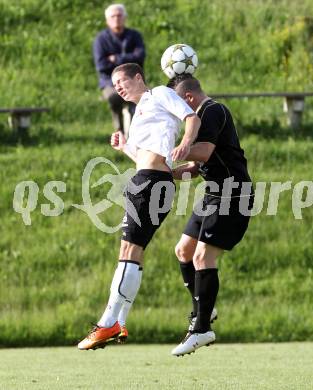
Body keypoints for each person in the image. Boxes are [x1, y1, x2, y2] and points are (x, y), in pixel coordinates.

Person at [78, 63, 201, 350]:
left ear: (138, 77)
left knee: (128, 250)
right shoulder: (137, 113)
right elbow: (144, 156)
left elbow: (191, 117)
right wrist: (125, 147)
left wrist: (184, 144)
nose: (118, 87)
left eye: (122, 80)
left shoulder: (158, 93)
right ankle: (119, 320)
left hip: (151, 183)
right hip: (145, 180)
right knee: (133, 252)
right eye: (114, 83)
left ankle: (108, 322)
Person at [167, 75, 254, 356]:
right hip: (214, 194)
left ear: (189, 99)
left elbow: (203, 152)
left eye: (178, 106)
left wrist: (168, 154)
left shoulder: (212, 111)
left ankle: (202, 328)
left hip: (233, 194)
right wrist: (167, 172)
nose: (180, 116)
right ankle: (205, 306)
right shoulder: (203, 115)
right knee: (183, 251)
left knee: (203, 257)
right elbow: (196, 166)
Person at [93, 4, 145, 137]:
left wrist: (115, 58)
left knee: (143, 99)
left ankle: (137, 135)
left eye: (119, 15)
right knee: (114, 97)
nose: (116, 18)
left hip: (134, 82)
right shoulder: (101, 40)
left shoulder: (134, 36)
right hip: (110, 84)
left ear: (125, 18)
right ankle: (119, 132)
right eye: (113, 16)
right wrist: (127, 61)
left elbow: (140, 56)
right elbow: (101, 65)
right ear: (107, 20)